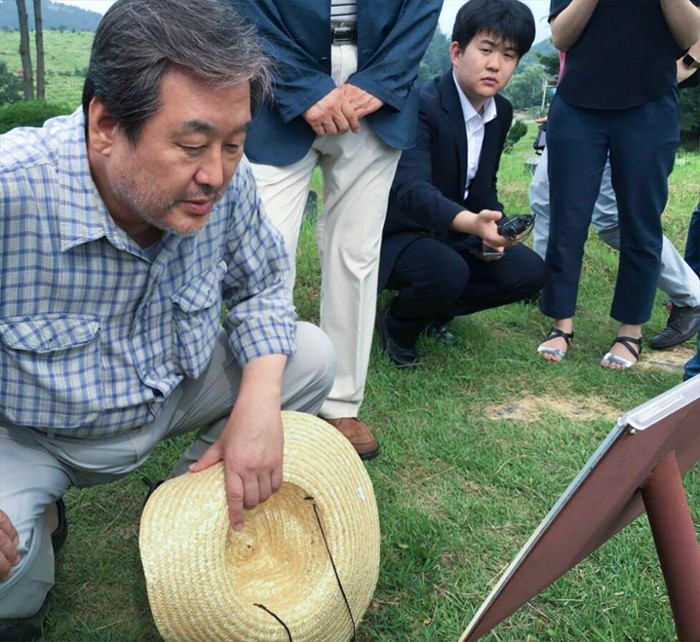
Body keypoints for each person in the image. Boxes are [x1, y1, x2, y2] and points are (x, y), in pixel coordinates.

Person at [0, 1, 336, 639]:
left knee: (310, 356)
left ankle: (187, 515)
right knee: (7, 585)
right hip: (31, 432)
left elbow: (264, 284)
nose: (216, 175)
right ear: (105, 124)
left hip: (170, 393)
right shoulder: (13, 190)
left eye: (234, 144)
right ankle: (37, 537)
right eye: (191, 145)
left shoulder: (225, 181)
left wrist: (259, 404)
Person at [235, 0, 443, 460]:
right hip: (277, 77)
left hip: (377, 84)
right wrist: (300, 85)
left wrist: (382, 81)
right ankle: (263, 395)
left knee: (356, 253)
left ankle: (341, 400)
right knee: (264, 252)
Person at [376, 0, 546, 368]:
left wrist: (495, 228)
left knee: (530, 272)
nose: (495, 64)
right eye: (486, 50)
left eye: (509, 55)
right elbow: (411, 191)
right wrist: (472, 224)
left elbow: (483, 186)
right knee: (448, 270)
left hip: (455, 230)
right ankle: (399, 324)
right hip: (403, 231)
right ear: (456, 52)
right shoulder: (422, 105)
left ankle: (435, 312)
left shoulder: (501, 111)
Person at [538, 0, 700, 369]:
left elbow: (690, 33)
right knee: (567, 216)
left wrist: (687, 64)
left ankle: (631, 329)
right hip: (578, 103)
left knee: (640, 221)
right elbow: (562, 36)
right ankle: (561, 323)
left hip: (650, 104)